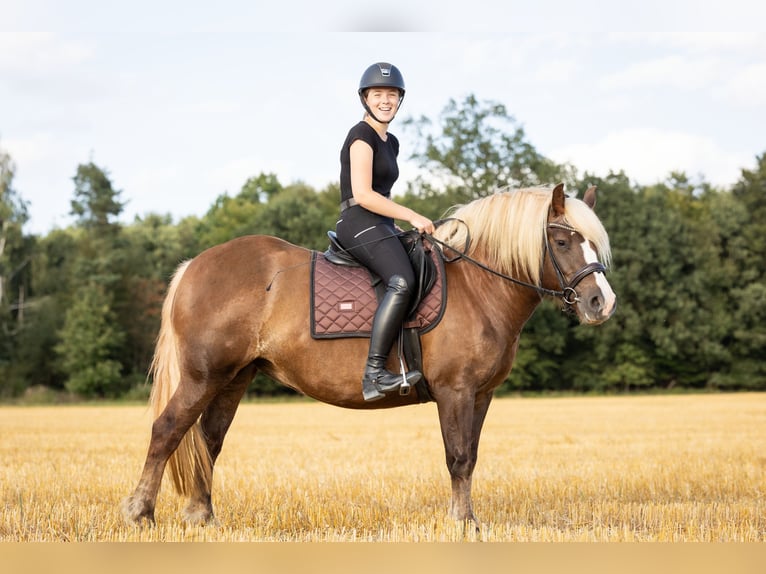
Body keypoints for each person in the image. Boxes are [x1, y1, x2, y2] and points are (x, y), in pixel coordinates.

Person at [335, 62, 435, 402]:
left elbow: (384, 194)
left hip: (381, 224)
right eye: (378, 94)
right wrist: (411, 216)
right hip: (358, 222)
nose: (385, 100)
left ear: (400, 100)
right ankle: (374, 373)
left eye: (391, 95)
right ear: (365, 98)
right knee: (401, 281)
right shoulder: (360, 135)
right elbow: (363, 194)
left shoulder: (390, 141)